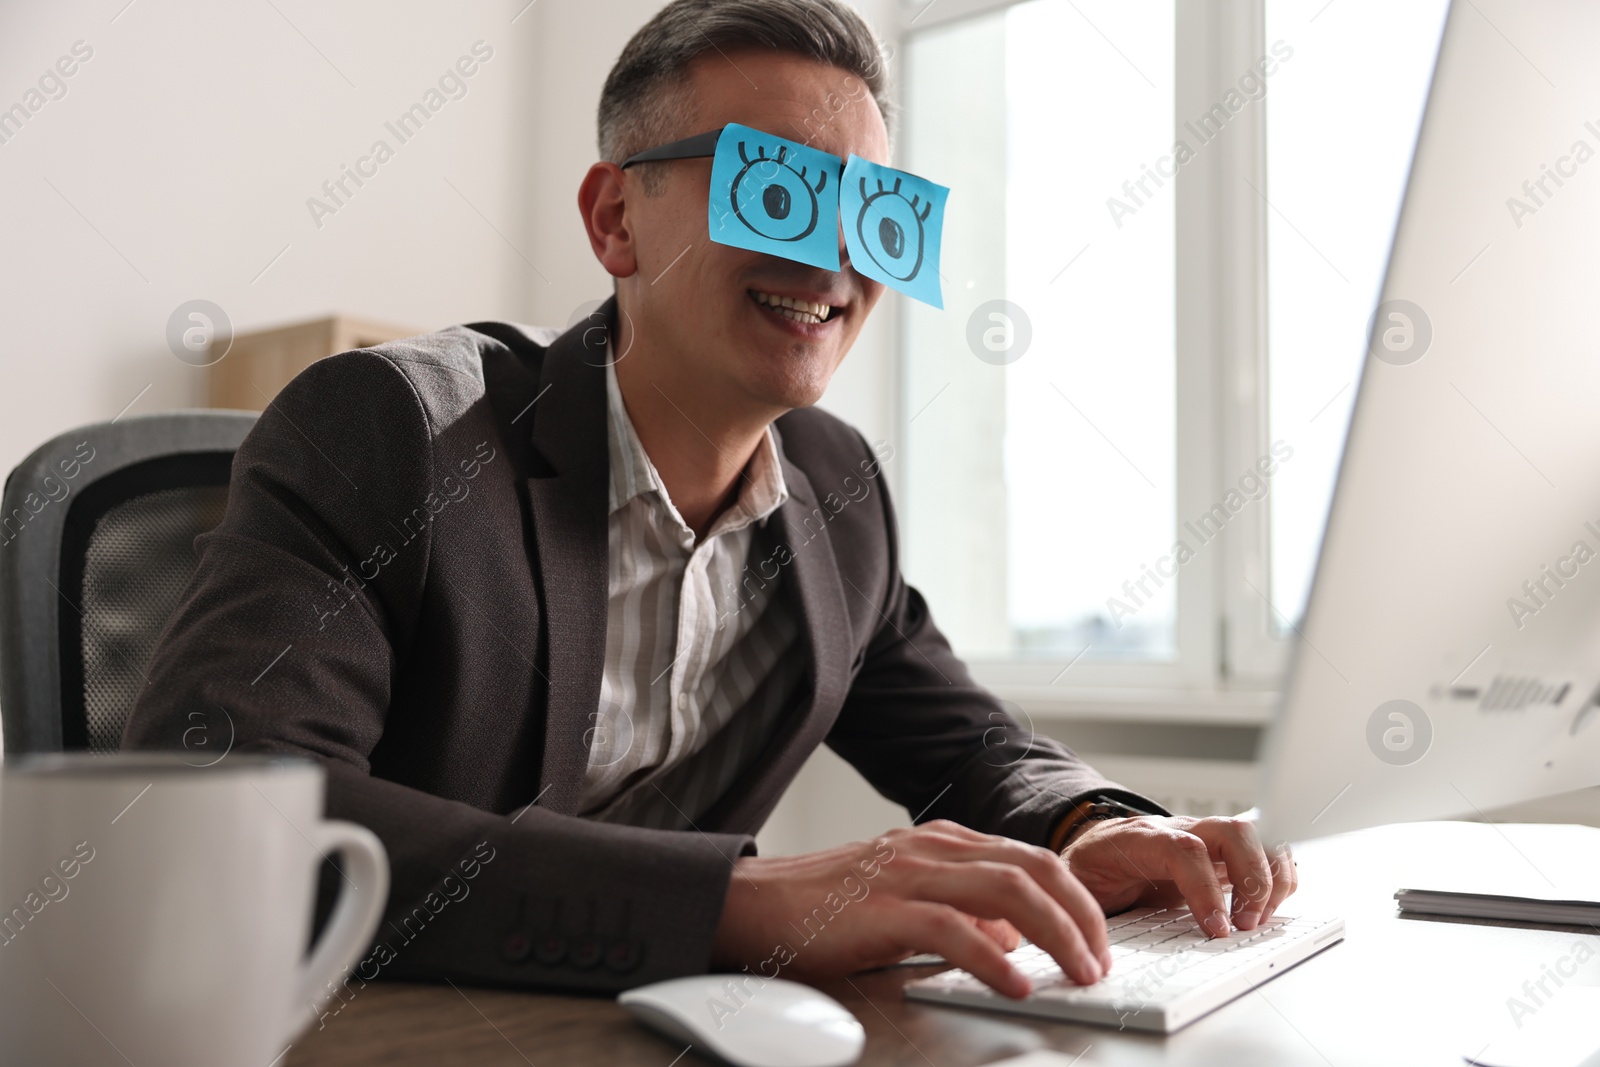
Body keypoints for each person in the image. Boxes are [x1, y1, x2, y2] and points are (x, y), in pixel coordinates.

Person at [122, 0, 1295, 1001]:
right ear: (615, 218)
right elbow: (222, 810)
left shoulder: (838, 489)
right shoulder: (396, 432)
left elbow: (966, 740)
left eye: (876, 212)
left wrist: (1091, 822)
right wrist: (735, 899)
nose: (833, 258)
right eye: (775, 193)